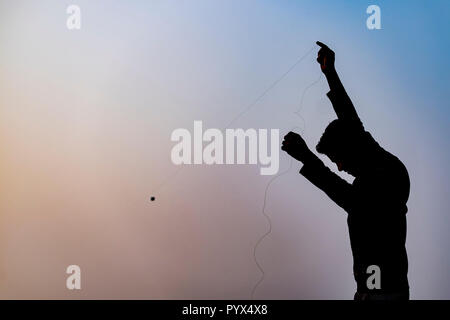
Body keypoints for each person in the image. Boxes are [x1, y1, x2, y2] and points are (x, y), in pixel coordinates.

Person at [281, 41, 410, 300]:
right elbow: (348, 116)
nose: (339, 167)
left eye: (338, 159)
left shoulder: (385, 173)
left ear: (351, 147)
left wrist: (306, 156)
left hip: (385, 293)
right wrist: (329, 72)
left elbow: (345, 194)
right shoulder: (372, 176)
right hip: (370, 290)